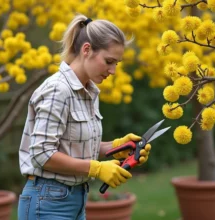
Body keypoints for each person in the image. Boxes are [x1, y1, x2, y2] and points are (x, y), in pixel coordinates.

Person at [18, 14, 151, 220]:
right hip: (47, 203)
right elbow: (42, 153)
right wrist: (96, 169)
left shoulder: (88, 91)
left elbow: (71, 145)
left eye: (117, 63)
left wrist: (116, 147)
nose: (113, 70)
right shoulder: (58, 90)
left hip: (75, 200)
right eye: (109, 61)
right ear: (86, 49)